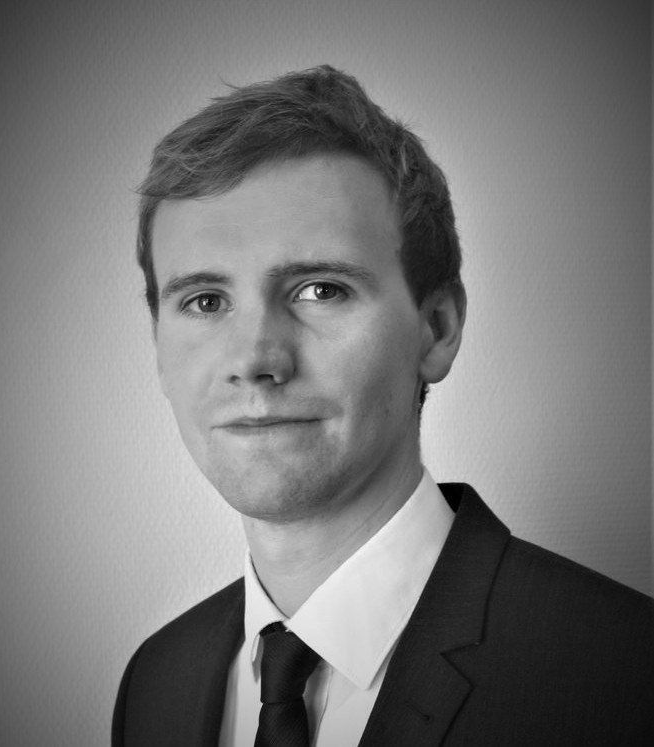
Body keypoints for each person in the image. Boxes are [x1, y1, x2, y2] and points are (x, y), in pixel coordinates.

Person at [112, 65, 653, 746]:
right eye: (204, 301)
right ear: (159, 348)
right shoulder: (156, 681)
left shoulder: (627, 674)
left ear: (436, 329)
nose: (254, 359)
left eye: (320, 290)